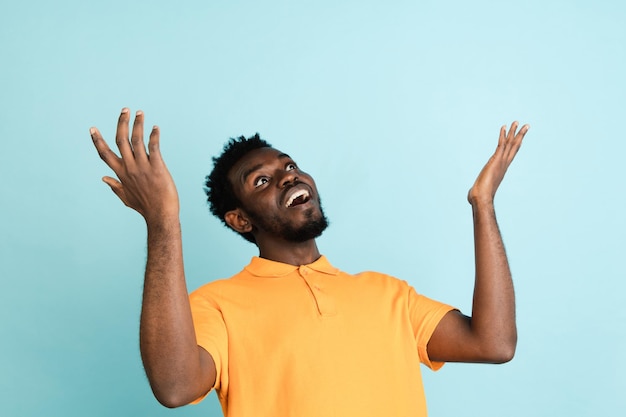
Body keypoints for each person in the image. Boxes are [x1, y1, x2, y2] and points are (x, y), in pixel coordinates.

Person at [89, 108, 529, 416]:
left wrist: (482, 203)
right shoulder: (215, 306)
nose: (288, 176)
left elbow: (493, 343)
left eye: (290, 165)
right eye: (262, 180)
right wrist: (163, 221)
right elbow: (175, 386)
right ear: (240, 220)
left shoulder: (388, 293)